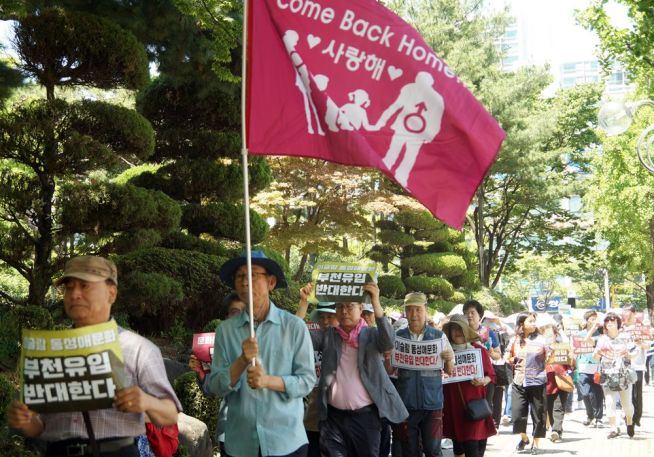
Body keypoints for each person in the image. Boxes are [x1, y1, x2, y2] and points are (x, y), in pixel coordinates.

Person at [7, 255, 181, 457]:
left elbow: (170, 414)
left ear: (111, 293)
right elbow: (43, 427)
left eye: (85, 285)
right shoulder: (49, 350)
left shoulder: (138, 348)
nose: (75, 294)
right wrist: (26, 421)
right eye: (69, 287)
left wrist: (147, 402)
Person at [207, 251, 316, 457]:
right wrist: (242, 361)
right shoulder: (225, 331)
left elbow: (307, 381)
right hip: (240, 444)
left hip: (286, 442)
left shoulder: (294, 327)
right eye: (240, 277)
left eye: (253, 275)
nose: (245, 282)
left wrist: (267, 381)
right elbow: (215, 386)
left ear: (271, 282)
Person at [309, 283, 408, 457]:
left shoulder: (370, 335)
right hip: (333, 419)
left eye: (350, 306)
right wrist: (303, 303)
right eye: (340, 306)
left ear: (361, 308)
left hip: (365, 419)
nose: (344, 311)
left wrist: (376, 302)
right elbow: (299, 337)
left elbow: (388, 342)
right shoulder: (329, 335)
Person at [393, 292, 454, 457]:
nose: (414, 315)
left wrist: (448, 360)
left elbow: (450, 370)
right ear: (405, 312)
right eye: (410, 310)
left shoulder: (439, 336)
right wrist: (387, 356)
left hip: (432, 403)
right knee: (409, 451)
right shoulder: (398, 337)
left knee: (433, 450)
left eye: (418, 310)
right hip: (406, 404)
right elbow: (389, 371)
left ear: (425, 310)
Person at [188, 293, 246, 455]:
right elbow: (211, 389)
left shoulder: (264, 343)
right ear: (227, 317)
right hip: (228, 432)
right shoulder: (220, 348)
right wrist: (201, 372)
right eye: (235, 312)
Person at [442, 314, 496, 457]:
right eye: (454, 328)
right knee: (458, 448)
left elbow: (491, 375)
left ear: (467, 331)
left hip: (474, 406)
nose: (457, 332)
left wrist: (483, 381)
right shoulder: (443, 353)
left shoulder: (479, 350)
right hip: (453, 407)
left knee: (472, 447)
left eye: (461, 328)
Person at [296, 286, 339, 457]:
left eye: (330, 316)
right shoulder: (316, 336)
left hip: (342, 413)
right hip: (316, 410)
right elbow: (295, 330)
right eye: (322, 317)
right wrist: (303, 302)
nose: (326, 321)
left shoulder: (354, 339)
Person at [505, 312, 550, 455]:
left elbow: (549, 356)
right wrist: (511, 359)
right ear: (522, 324)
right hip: (519, 381)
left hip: (537, 381)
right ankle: (524, 438)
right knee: (517, 415)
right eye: (530, 321)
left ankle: (535, 444)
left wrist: (546, 360)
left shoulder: (542, 340)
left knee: (538, 414)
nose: (534, 324)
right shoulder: (514, 340)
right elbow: (507, 356)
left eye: (534, 321)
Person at [592, 312, 636, 439]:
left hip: (623, 375)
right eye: (607, 321)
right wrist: (599, 352)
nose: (610, 323)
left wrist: (628, 353)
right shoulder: (602, 339)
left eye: (613, 321)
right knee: (610, 401)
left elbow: (635, 353)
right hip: (607, 375)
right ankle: (613, 428)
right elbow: (595, 358)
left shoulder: (626, 337)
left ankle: (629, 421)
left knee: (626, 404)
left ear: (618, 323)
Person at [462, 301, 501, 416]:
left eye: (472, 313)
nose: (469, 316)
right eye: (466, 313)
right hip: (465, 374)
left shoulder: (488, 332)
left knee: (484, 406)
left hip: (486, 375)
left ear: (480, 315)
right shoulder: (459, 332)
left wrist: (491, 353)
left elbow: (498, 355)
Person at [544, 324, 574, 443]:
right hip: (545, 382)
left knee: (559, 406)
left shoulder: (561, 347)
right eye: (546, 333)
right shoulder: (540, 348)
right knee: (549, 408)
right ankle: (556, 429)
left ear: (555, 335)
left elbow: (571, 365)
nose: (548, 336)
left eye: (551, 334)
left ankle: (555, 430)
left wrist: (571, 357)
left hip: (561, 381)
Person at [575, 310, 604, 427]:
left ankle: (598, 418)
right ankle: (590, 415)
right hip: (583, 368)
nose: (594, 321)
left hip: (597, 368)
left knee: (597, 393)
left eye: (596, 319)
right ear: (586, 321)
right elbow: (575, 348)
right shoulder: (579, 334)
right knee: (586, 394)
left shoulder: (601, 334)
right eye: (592, 319)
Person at [621, 305, 648, 428]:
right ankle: (628, 417)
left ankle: (636, 416)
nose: (627, 316)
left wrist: (640, 342)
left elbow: (647, 346)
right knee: (626, 393)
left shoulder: (642, 328)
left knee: (637, 394)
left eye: (629, 313)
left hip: (638, 365)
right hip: (624, 365)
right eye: (625, 313)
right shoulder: (621, 329)